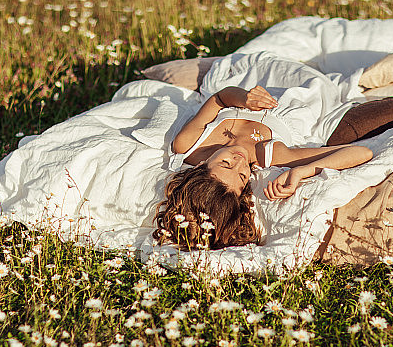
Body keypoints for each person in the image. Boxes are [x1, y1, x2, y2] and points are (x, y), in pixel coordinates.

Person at [153, 85, 375, 251]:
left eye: (225, 164)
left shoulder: (188, 144)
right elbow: (362, 153)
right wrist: (301, 171)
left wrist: (244, 98)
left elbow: (220, 98)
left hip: (250, 87)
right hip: (304, 92)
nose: (239, 160)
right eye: (242, 176)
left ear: (200, 166)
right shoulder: (269, 154)